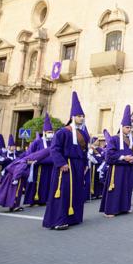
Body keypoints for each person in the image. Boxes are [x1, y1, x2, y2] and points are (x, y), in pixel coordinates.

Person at [43, 92, 89, 230]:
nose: (81, 118)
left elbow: (85, 151)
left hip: (79, 165)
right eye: (79, 116)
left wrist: (85, 164)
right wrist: (61, 163)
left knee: (76, 191)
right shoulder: (63, 132)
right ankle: (59, 220)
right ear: (72, 117)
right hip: (66, 164)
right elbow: (55, 149)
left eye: (83, 116)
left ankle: (73, 218)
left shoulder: (84, 134)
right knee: (63, 191)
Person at [24, 113, 55, 207]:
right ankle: (33, 200)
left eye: (52, 132)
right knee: (36, 183)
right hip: (38, 168)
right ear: (45, 132)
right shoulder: (37, 142)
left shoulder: (54, 142)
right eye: (49, 132)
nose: (51, 134)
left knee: (47, 183)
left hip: (50, 168)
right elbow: (29, 153)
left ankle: (44, 199)